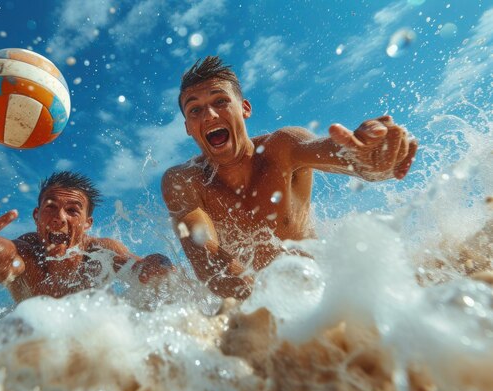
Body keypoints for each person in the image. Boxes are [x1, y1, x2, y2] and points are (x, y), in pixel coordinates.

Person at [161, 56, 418, 300]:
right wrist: (269, 306)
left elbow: (335, 153)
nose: (209, 115)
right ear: (187, 128)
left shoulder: (282, 147)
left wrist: (367, 157)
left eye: (220, 101)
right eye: (194, 109)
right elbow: (207, 260)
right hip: (256, 305)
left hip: (323, 294)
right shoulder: (185, 181)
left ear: (244, 108)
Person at [0, 170, 174, 303]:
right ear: (37, 217)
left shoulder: (100, 252)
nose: (60, 217)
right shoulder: (28, 249)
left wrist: (154, 265)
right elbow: (2, 263)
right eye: (51, 207)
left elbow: (135, 266)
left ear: (87, 224)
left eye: (72, 210)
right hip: (33, 345)